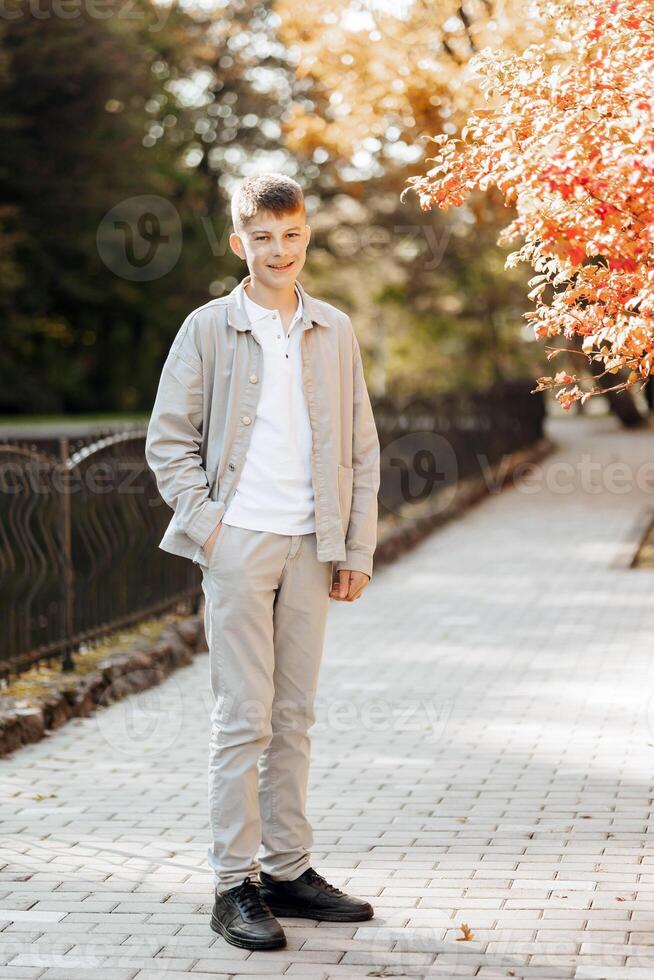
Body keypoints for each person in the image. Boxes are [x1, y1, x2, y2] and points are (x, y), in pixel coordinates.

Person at [145, 172, 381, 951]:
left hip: (314, 546)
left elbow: (361, 446)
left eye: (292, 236)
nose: (279, 251)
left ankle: (288, 870)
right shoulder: (208, 328)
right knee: (243, 719)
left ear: (306, 236)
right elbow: (168, 441)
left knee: (294, 718)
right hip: (239, 544)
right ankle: (232, 884)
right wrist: (212, 529)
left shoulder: (335, 329)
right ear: (238, 241)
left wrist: (354, 545)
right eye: (263, 238)